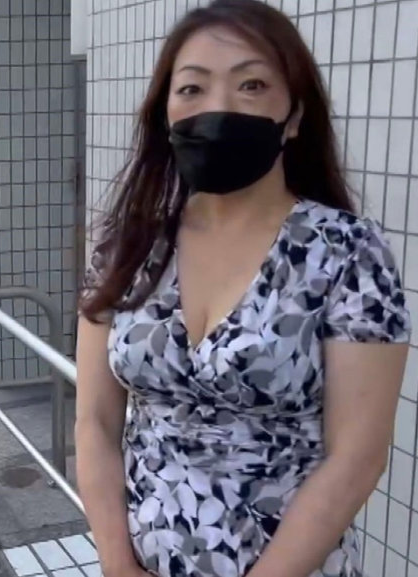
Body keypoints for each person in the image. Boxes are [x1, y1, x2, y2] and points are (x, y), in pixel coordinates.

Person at [75, 1, 411, 577]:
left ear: (295, 115)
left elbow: (356, 458)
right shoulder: (128, 245)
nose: (218, 108)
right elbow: (95, 424)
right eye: (192, 88)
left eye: (251, 85)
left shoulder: (347, 253)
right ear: (164, 113)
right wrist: (117, 565)